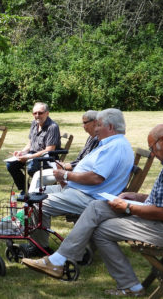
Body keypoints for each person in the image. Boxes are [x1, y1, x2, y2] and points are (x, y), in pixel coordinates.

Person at [22, 124, 163, 297]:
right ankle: (59, 260)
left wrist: (127, 207)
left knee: (101, 230)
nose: (153, 154)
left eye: (153, 148)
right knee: (96, 207)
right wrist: (137, 197)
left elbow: (162, 212)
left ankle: (130, 286)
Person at [23, 108, 134, 256]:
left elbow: (96, 178)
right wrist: (65, 177)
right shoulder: (112, 144)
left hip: (90, 198)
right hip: (80, 191)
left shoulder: (114, 147)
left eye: (99, 125)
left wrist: (66, 175)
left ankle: (39, 247)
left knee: (37, 202)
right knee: (37, 193)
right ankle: (37, 243)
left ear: (110, 127)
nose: (96, 129)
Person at [28, 110, 99, 193]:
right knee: (37, 177)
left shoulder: (98, 140)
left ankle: (30, 202)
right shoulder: (91, 137)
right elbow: (81, 159)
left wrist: (66, 166)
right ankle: (30, 200)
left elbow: (87, 163)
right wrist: (65, 165)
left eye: (85, 123)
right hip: (73, 172)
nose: (83, 126)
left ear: (94, 122)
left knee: (38, 176)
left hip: (77, 176)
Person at [6, 102, 61, 193]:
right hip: (32, 155)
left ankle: (34, 191)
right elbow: (30, 143)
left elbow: (49, 150)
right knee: (10, 164)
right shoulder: (34, 123)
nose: (37, 115)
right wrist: (22, 152)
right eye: (35, 113)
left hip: (47, 159)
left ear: (47, 113)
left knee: (31, 167)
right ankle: (26, 189)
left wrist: (28, 157)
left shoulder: (52, 127)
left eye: (40, 113)